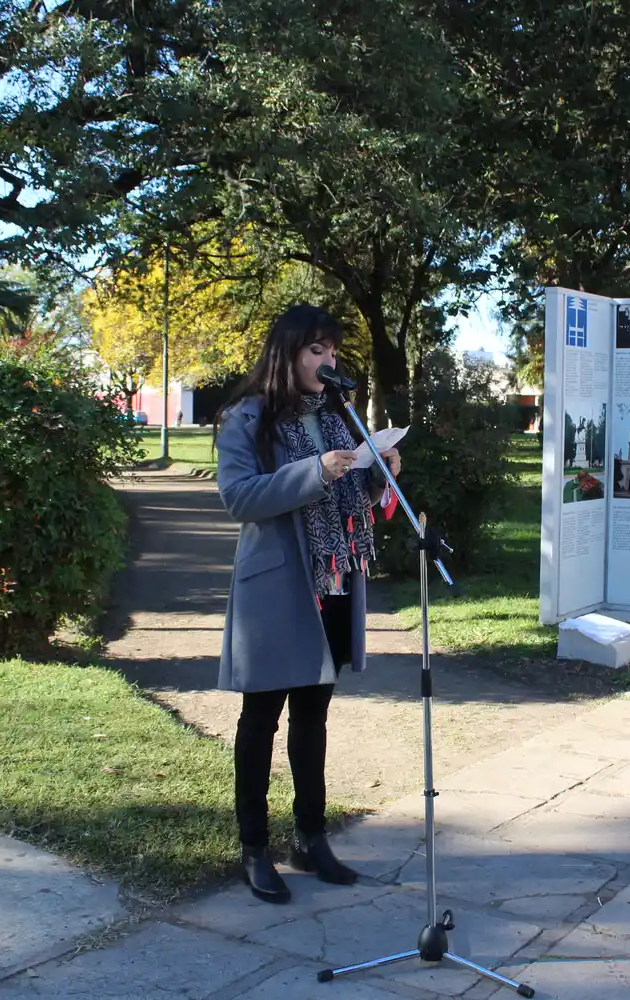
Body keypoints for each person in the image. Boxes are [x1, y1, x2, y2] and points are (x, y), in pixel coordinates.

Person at [213, 304, 401, 904]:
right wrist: (312, 471)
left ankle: (311, 838)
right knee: (260, 721)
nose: (328, 362)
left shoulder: (340, 416)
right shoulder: (247, 418)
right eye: (316, 351)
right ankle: (254, 847)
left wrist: (377, 475)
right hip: (279, 589)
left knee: (313, 718)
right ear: (287, 353)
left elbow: (351, 499)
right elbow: (239, 498)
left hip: (335, 581)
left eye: (333, 351)